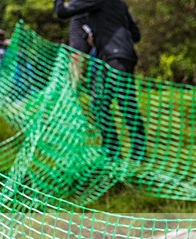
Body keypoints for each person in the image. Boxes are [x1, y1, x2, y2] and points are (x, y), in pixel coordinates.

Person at [54, 0, 146, 159]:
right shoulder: (121, 3)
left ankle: (138, 154)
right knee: (99, 103)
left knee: (125, 103)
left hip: (114, 56)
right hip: (117, 55)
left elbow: (62, 11)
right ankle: (112, 152)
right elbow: (136, 34)